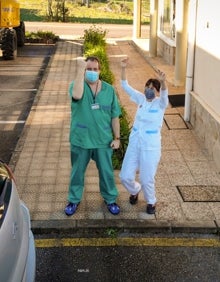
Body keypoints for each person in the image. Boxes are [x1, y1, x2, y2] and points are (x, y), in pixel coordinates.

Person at [64, 56, 121, 216]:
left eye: (95, 69)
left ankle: (110, 199)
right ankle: (73, 200)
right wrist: (79, 70)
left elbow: (114, 116)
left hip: (103, 140)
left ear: (100, 71)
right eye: (88, 69)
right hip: (81, 140)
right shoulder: (77, 85)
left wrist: (117, 138)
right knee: (77, 173)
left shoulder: (109, 90)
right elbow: (76, 96)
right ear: (84, 70)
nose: (92, 72)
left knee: (106, 172)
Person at [119, 57, 169, 214]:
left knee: (147, 178)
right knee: (125, 176)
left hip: (150, 146)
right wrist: (123, 68)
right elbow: (125, 86)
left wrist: (163, 81)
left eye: (153, 88)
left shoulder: (160, 103)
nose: (149, 90)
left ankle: (151, 201)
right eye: (147, 86)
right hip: (135, 143)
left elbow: (165, 96)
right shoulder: (141, 98)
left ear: (158, 91)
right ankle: (135, 190)